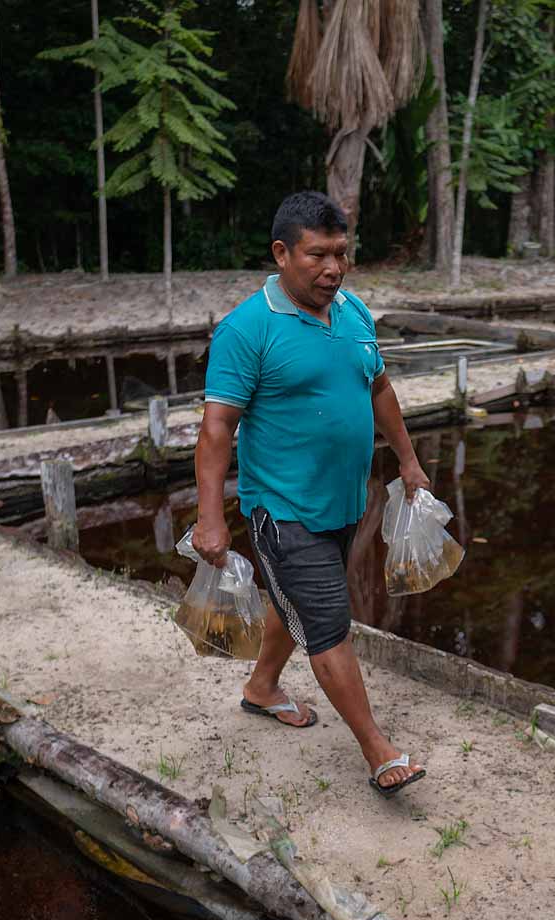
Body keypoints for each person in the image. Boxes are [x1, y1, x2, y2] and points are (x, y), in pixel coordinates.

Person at [191, 192, 429, 797]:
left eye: (341, 254)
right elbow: (217, 428)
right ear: (282, 253)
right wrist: (210, 517)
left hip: (345, 503)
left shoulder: (353, 312)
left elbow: (379, 388)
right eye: (317, 255)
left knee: (291, 598)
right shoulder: (247, 329)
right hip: (282, 509)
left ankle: (261, 687)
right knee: (327, 623)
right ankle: (378, 751)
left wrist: (408, 460)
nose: (333, 268)